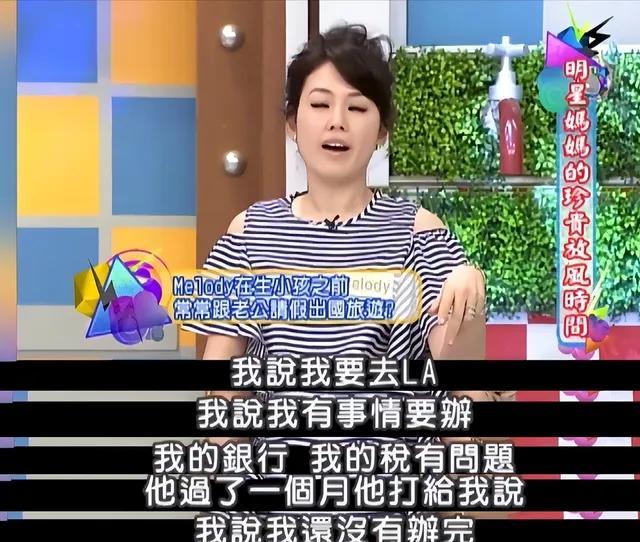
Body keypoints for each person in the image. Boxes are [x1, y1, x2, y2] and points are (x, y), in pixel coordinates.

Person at [184, 23, 513, 521]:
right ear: (292, 122)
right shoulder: (249, 231)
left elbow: (460, 376)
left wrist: (468, 296)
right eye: (319, 105)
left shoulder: (419, 233)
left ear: (381, 131)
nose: (336, 122)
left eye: (357, 108)